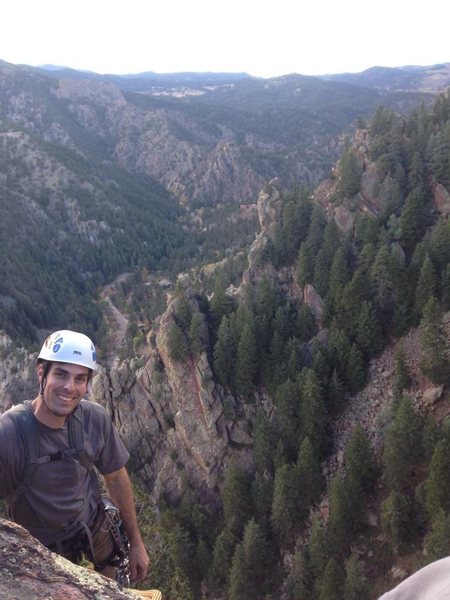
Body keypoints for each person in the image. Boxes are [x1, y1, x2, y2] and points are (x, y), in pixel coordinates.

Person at [0, 329, 149, 585]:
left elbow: (115, 477)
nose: (70, 387)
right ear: (41, 372)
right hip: (42, 552)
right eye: (60, 374)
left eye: (80, 378)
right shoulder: (10, 434)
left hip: (95, 532)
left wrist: (136, 543)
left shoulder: (94, 419)